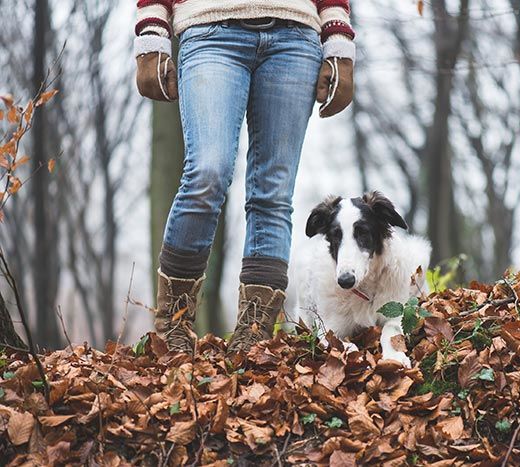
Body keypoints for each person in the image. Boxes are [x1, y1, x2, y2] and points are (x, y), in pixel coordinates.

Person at [134, 0, 355, 355]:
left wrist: (339, 44)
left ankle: (254, 334)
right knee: (207, 172)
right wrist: (151, 35)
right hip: (209, 29)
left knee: (274, 192)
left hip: (295, 34)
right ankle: (174, 325)